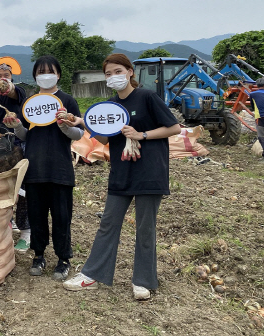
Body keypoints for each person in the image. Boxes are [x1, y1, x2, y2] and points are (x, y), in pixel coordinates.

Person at [63, 53, 180, 300]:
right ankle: (92, 274)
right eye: (108, 74)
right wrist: (84, 123)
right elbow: (105, 139)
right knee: (108, 222)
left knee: (145, 227)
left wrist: (142, 135)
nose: (113, 77)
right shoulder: (109, 106)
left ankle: (143, 281)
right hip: (122, 171)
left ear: (130, 72)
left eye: (118, 71)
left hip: (149, 172)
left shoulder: (147, 97)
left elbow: (174, 127)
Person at [4, 55, 84, 280]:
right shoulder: (30, 103)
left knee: (61, 216)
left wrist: (65, 126)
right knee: (37, 215)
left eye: (50, 71)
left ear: (58, 75)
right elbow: (26, 135)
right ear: (35, 76)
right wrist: (17, 125)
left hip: (60, 169)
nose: (45, 76)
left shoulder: (67, 100)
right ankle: (38, 255)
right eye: (40, 72)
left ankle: (63, 259)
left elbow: (78, 133)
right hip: (35, 168)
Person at [0, 56, 31, 252]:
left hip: (17, 145)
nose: (3, 78)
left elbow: (14, 93)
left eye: (7, 75)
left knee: (22, 189)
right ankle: (5, 226)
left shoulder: (19, 92)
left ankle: (26, 233)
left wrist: (8, 87)